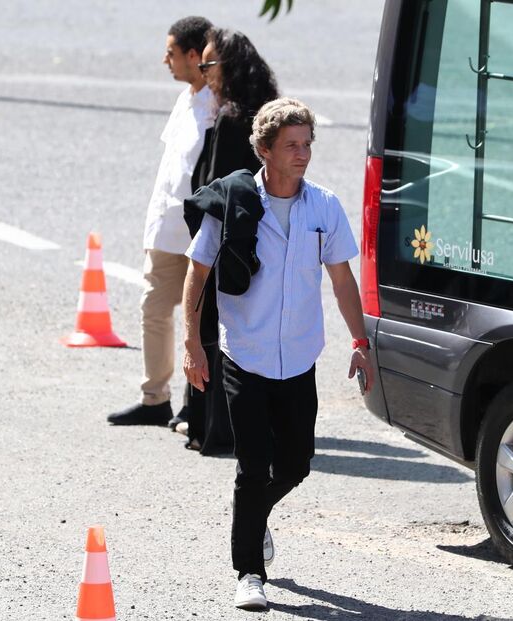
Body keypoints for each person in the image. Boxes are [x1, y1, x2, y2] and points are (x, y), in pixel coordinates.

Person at [182, 98, 375, 610]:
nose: (303, 154)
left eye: (307, 144)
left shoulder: (324, 206)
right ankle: (249, 571)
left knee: (295, 465)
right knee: (252, 466)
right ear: (264, 149)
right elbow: (197, 274)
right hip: (244, 355)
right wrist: (191, 345)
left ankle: (253, 518)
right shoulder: (234, 204)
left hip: (298, 358)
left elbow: (342, 281)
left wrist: (361, 342)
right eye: (292, 145)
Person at [106, 16, 217, 426]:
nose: (164, 60)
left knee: (198, 318)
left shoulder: (218, 108)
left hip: (198, 232)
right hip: (166, 227)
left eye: (171, 52)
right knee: (153, 308)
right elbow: (170, 169)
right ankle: (154, 399)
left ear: (193, 55)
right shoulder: (185, 99)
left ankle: (195, 404)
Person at [178, 28, 280, 454]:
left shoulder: (231, 118)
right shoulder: (263, 113)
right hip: (263, 237)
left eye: (209, 64)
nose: (205, 73)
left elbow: (215, 186)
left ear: (229, 66)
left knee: (213, 329)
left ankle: (212, 426)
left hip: (226, 239)